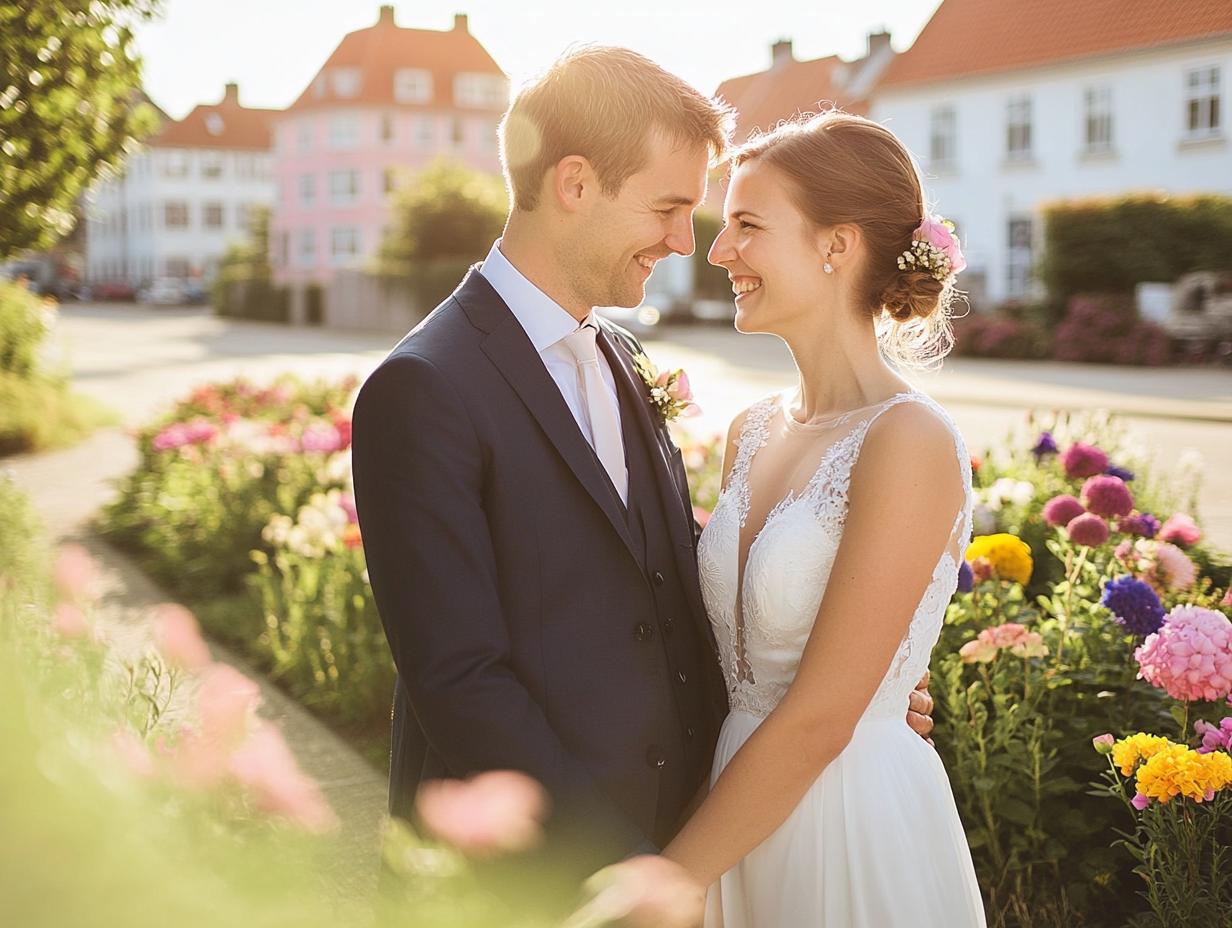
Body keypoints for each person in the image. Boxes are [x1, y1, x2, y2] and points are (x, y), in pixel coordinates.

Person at [350, 47, 937, 900]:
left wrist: (855, 683)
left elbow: (664, 593)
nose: (684, 242)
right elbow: (459, 683)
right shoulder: (424, 387)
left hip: (694, 841)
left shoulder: (624, 359)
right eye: (668, 208)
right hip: (522, 886)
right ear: (575, 183)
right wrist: (625, 875)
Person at [611, 111, 986, 927]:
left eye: (748, 225)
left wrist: (665, 885)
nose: (718, 250)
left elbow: (821, 717)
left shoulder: (909, 440)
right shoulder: (751, 431)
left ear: (836, 245)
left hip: (846, 818)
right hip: (736, 805)